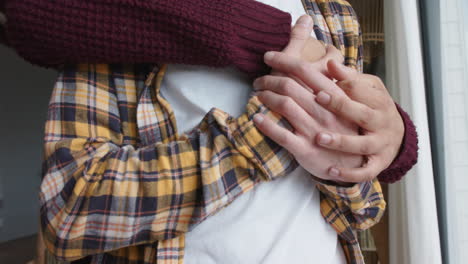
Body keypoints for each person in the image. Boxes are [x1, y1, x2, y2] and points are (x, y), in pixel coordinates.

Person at [0, 0, 417, 263]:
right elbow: (70, 211)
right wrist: (259, 141)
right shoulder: (112, 16)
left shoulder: (333, 16)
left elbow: (364, 210)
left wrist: (346, 159)